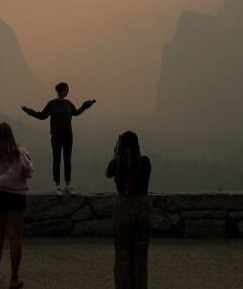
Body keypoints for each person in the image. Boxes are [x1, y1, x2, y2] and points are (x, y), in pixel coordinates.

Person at [21, 82, 95, 195]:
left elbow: (77, 112)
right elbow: (42, 116)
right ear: (63, 91)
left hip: (68, 136)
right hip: (56, 136)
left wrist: (88, 104)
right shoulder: (52, 104)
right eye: (67, 89)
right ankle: (58, 185)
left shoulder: (68, 104)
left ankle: (68, 185)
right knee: (57, 160)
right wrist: (28, 111)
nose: (68, 91)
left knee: (67, 160)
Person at [0, 122, 33, 289]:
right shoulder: (20, 153)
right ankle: (14, 278)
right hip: (16, 196)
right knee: (15, 237)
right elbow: (29, 173)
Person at [105, 131, 153, 289]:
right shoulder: (145, 162)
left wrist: (115, 155)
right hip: (143, 209)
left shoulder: (117, 163)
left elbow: (108, 173)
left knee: (123, 255)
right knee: (140, 256)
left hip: (123, 209)